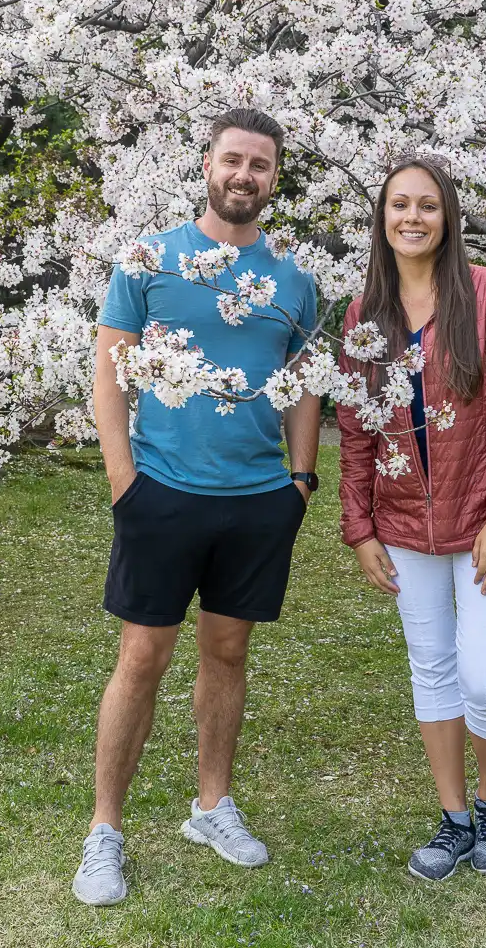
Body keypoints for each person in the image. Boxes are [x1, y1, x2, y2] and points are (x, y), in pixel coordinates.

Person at [73, 108, 321, 907]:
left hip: (257, 501)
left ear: (274, 179)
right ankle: (104, 832)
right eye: (232, 160)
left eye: (260, 165)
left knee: (228, 653)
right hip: (163, 494)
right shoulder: (151, 261)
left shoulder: (294, 280)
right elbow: (109, 370)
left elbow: (305, 383)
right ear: (207, 166)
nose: (244, 175)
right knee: (141, 658)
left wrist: (302, 479)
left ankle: (211, 806)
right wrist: (123, 481)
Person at [337, 154, 486, 882]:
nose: (412, 218)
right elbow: (358, 434)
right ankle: (455, 817)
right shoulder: (367, 316)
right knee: (432, 670)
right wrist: (360, 528)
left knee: (485, 677)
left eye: (427, 206)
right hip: (404, 527)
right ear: (382, 218)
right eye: (399, 205)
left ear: (449, 216)